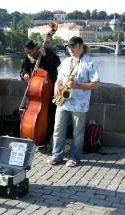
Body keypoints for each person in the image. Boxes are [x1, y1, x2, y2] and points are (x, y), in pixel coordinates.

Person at [47, 36, 100, 167]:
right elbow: (59, 79)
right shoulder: (66, 62)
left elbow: (96, 85)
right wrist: (56, 87)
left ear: (81, 46)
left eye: (73, 46)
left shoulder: (89, 62)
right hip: (63, 101)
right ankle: (57, 156)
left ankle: (75, 157)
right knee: (58, 129)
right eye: (68, 47)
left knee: (78, 132)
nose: (70, 49)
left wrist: (78, 86)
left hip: (79, 104)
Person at [20, 39, 61, 145]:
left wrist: (46, 56)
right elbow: (22, 70)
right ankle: (35, 135)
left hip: (51, 88)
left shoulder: (47, 51)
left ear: (35, 49)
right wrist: (24, 75)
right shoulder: (28, 58)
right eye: (27, 52)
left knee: (51, 115)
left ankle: (49, 139)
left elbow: (57, 63)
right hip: (37, 91)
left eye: (30, 52)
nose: (29, 54)